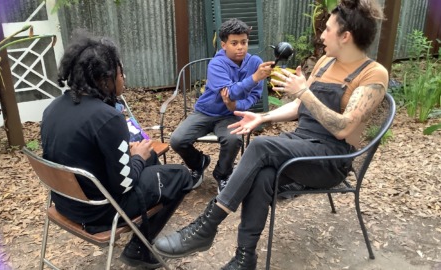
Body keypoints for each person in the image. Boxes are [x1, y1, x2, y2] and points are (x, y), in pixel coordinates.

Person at [153, 0, 388, 269]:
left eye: (328, 29)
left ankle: (207, 226)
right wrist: (262, 116)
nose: (322, 35)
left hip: (330, 158)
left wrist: (303, 92)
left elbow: (344, 127)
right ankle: (245, 258)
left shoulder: (373, 74)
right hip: (302, 143)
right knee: (262, 174)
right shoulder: (325, 62)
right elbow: (300, 107)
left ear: (345, 36)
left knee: (262, 147)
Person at [40, 30, 195, 269]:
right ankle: (139, 248)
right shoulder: (107, 117)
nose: (125, 78)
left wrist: (137, 157)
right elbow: (125, 184)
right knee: (181, 175)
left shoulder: (53, 108)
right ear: (105, 79)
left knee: (151, 158)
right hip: (99, 213)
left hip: (65, 202)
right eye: (121, 72)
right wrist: (138, 157)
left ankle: (142, 233)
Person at [169, 18, 274, 192]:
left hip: (231, 115)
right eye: (234, 43)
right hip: (206, 112)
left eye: (244, 42)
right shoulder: (217, 64)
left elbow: (255, 95)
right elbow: (230, 92)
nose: (240, 47)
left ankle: (223, 174)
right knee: (178, 140)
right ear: (224, 45)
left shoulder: (255, 63)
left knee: (233, 139)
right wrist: (255, 78)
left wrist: (236, 106)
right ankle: (199, 163)